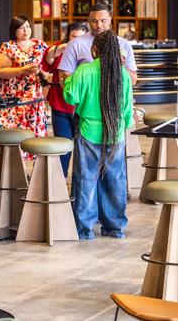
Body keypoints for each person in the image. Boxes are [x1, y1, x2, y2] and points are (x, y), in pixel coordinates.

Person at [63, 30, 133, 240]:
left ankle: (85, 229)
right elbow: (127, 109)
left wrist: (68, 80)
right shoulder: (123, 74)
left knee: (86, 180)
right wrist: (125, 125)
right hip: (115, 132)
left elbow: (70, 97)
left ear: (95, 49)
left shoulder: (84, 71)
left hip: (88, 132)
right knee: (115, 180)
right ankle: (115, 227)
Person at [0, 15, 48, 157]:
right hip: (12, 96)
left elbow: (48, 66)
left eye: (28, 26)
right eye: (21, 28)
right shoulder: (8, 47)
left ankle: (29, 168)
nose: (26, 30)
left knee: (32, 139)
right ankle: (8, 166)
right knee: (9, 135)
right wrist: (22, 70)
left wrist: (44, 73)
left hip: (33, 97)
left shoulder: (40, 45)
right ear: (14, 30)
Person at [41, 22, 89, 177]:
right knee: (63, 146)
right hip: (60, 106)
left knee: (84, 148)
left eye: (80, 37)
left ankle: (81, 183)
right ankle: (60, 180)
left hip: (84, 107)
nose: (77, 41)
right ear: (68, 36)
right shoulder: (60, 49)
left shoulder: (91, 51)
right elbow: (48, 59)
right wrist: (67, 46)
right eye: (73, 36)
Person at [58, 4, 138, 84]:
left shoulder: (124, 44)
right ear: (88, 21)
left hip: (116, 91)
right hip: (86, 92)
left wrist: (120, 65)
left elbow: (133, 81)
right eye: (94, 21)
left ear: (109, 20)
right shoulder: (74, 44)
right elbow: (63, 79)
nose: (99, 25)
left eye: (103, 20)